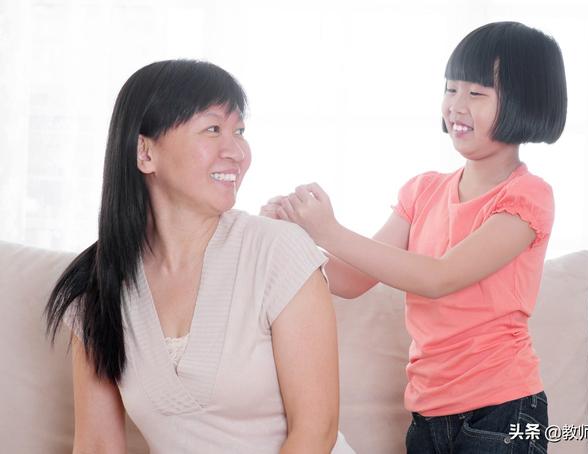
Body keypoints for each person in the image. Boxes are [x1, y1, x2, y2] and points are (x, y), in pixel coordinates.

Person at [261, 22, 567, 454]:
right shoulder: (422, 191)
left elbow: (439, 277)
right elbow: (349, 280)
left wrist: (329, 229)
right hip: (427, 413)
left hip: (502, 410)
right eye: (450, 88)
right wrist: (292, 234)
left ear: (525, 102)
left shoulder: (528, 196)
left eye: (476, 93)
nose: (456, 105)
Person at [45, 59, 355, 454]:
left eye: (239, 131)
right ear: (145, 153)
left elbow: (316, 430)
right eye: (213, 129)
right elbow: (97, 445)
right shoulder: (96, 285)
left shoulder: (278, 249)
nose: (237, 152)